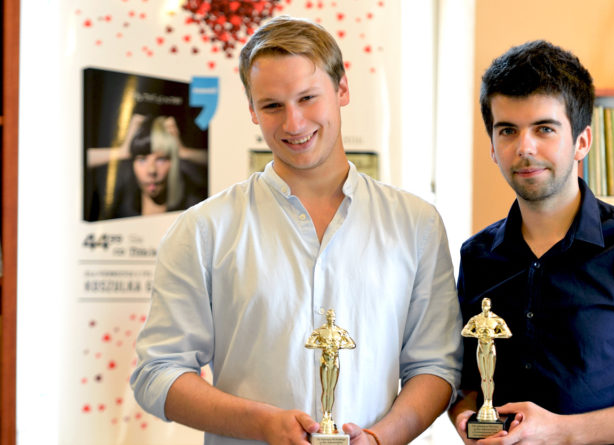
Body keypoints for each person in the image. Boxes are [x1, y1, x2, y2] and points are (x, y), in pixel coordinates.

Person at [130, 15, 462, 445]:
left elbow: (436, 366)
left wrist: (379, 439)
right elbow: (157, 373)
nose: (294, 123)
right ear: (252, 110)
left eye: (308, 98)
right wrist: (261, 423)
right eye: (272, 106)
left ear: (342, 90)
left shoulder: (416, 224)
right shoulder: (202, 230)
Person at [448, 40, 614, 445]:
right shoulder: (477, 255)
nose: (524, 147)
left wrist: (560, 432)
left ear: (582, 142)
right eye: (507, 130)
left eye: (544, 129)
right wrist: (465, 419)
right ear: (492, 146)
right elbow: (467, 381)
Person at [85, 114, 208, 220]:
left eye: (161, 159)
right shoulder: (120, 206)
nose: (151, 170)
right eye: (142, 159)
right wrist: (122, 151)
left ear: (173, 162)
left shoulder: (193, 208)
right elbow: (77, 160)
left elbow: (215, 159)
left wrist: (183, 152)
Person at [304, 308, 356, 435]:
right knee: (325, 388)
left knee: (331, 389)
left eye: (332, 317)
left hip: (335, 361)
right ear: (327, 318)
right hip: (325, 360)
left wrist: (339, 346)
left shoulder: (340, 331)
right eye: (329, 316)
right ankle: (325, 415)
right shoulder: (320, 331)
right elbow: (308, 344)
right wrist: (322, 346)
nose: (331, 318)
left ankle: (329, 414)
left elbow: (351, 344)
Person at [460, 298, 511, 423]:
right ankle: (485, 402)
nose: (485, 307)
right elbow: (464, 331)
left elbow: (507, 333)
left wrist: (494, 335)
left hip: (490, 348)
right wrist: (476, 334)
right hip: (480, 348)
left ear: (490, 306)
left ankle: (489, 402)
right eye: (484, 305)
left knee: (490, 377)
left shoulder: (496, 319)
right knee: (483, 377)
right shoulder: (476, 319)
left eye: (487, 305)